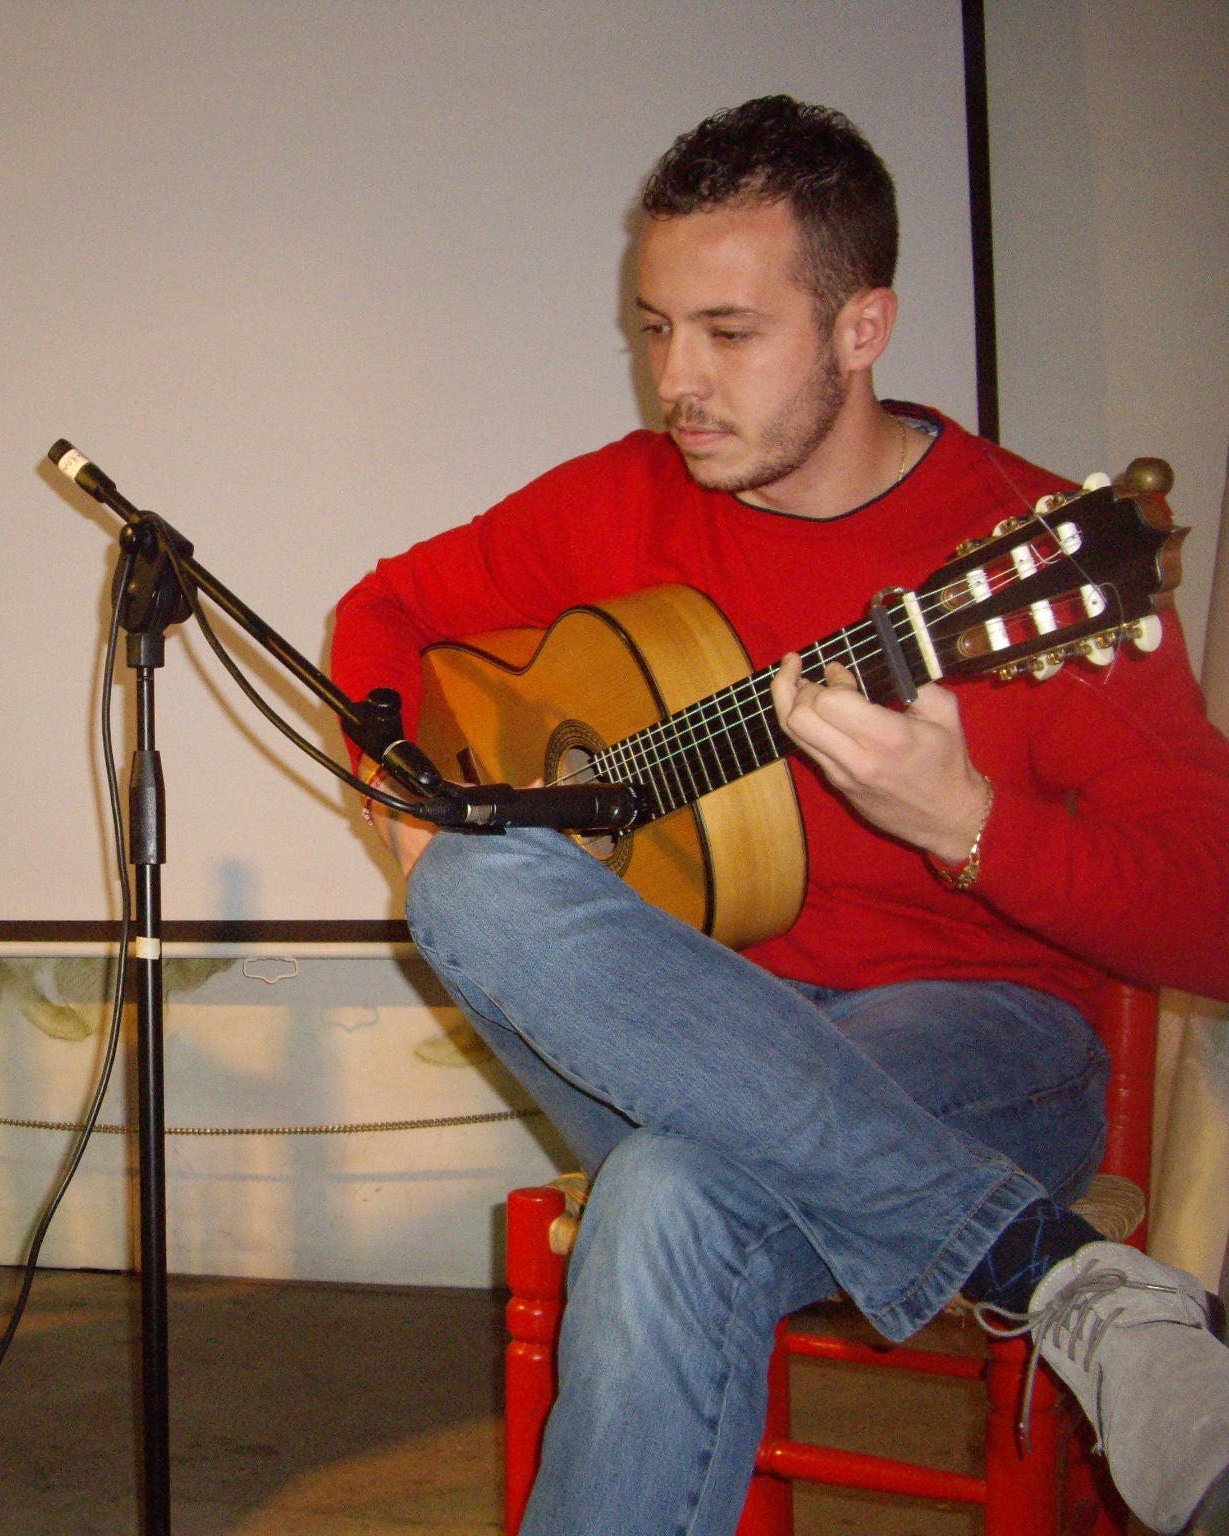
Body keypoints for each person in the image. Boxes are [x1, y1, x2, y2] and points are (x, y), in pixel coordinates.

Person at [330, 98, 1229, 1535]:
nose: (675, 383)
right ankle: (1057, 1276)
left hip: (983, 1043)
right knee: (466, 880)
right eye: (653, 328)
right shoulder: (626, 500)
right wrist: (397, 787)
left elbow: (1212, 913)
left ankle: (1035, 1254)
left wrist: (973, 823)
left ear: (862, 329)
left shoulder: (1031, 560)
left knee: (668, 1196)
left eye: (729, 333)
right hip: (673, 1021)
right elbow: (383, 612)